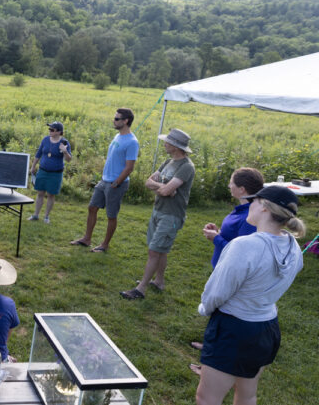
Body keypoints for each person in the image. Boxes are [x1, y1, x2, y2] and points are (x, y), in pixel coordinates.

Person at [195, 186, 304, 405]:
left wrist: (204, 309)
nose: (249, 206)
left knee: (206, 398)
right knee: (247, 394)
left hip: (233, 330)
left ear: (264, 207)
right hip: (266, 329)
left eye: (253, 201)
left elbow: (217, 292)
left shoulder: (244, 246)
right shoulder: (294, 248)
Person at [188, 167, 264, 361]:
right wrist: (220, 233)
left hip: (231, 269)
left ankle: (216, 354)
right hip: (223, 264)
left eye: (232, 182)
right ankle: (212, 343)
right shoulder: (242, 209)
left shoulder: (250, 216)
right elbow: (235, 239)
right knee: (220, 309)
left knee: (225, 310)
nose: (229, 185)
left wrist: (216, 239)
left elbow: (241, 251)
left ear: (242, 189)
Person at [121, 128, 195, 299]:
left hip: (171, 215)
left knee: (154, 251)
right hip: (159, 210)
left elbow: (166, 190)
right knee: (160, 250)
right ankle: (159, 282)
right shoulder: (168, 162)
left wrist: (165, 189)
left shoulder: (186, 167)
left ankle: (141, 289)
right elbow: (149, 183)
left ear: (176, 146)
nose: (165, 144)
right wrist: (164, 188)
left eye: (167, 142)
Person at [71, 109, 138, 251]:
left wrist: (117, 182)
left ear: (125, 121)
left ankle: (105, 245)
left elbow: (129, 167)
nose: (114, 120)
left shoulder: (132, 142)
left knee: (111, 215)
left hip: (116, 184)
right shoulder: (117, 136)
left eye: (117, 118)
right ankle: (87, 239)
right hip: (104, 180)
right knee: (92, 208)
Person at [28, 121, 72, 224]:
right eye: (49, 129)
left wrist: (65, 151)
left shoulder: (64, 143)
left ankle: (46, 217)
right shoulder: (45, 140)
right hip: (42, 171)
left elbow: (69, 159)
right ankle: (35, 215)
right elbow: (38, 154)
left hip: (55, 173)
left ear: (59, 132)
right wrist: (33, 166)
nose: (50, 131)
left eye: (52, 130)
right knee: (40, 193)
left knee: (51, 195)